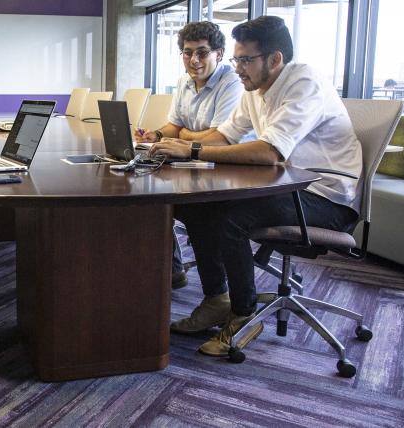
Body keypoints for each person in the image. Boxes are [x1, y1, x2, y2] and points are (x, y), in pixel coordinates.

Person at [151, 16, 362, 357]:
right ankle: (217, 298)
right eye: (236, 60)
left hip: (324, 197)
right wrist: (173, 149)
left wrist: (190, 148)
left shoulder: (303, 82)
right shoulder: (255, 89)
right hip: (283, 188)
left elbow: (270, 152)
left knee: (230, 215)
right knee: (194, 204)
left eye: (245, 60)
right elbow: (224, 136)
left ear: (275, 59)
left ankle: (244, 311)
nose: (238, 69)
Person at [134, 21, 244, 292]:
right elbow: (174, 126)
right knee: (144, 187)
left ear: (218, 53)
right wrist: (157, 135)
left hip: (230, 168)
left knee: (190, 205)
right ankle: (172, 268)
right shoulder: (184, 81)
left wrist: (182, 137)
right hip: (195, 161)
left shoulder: (232, 82)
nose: (193, 60)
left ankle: (216, 291)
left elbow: (220, 138)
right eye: (187, 52)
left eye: (202, 53)